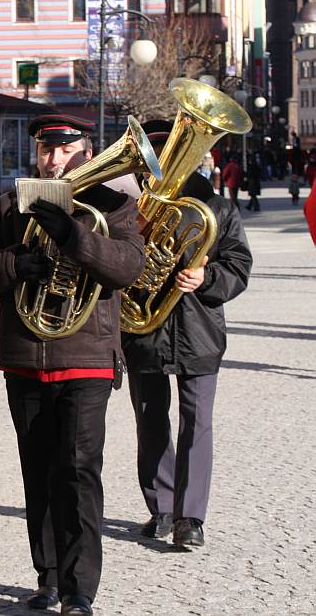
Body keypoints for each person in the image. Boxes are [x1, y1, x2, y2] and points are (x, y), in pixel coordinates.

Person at [0, 114, 145, 616]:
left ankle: (79, 589)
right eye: (46, 149)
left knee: (79, 472)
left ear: (86, 149)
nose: (54, 159)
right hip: (24, 358)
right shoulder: (11, 205)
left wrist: (73, 236)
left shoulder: (114, 203)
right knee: (38, 472)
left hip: (85, 359)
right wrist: (14, 263)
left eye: (65, 149)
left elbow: (129, 266)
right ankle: (46, 578)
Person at [123, 160, 252, 549]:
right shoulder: (131, 205)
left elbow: (238, 265)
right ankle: (161, 507)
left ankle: (190, 517)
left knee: (197, 423)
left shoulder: (218, 209)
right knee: (150, 420)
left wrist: (206, 278)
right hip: (143, 328)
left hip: (199, 331)